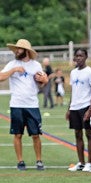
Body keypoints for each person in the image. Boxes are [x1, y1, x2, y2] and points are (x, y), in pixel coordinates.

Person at [0, 39, 48, 170]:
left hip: (32, 105)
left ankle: (39, 161)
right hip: (16, 104)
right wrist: (14, 70)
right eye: (16, 49)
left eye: (19, 49)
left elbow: (44, 80)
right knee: (18, 134)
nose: (16, 51)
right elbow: (1, 77)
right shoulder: (12, 64)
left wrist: (43, 80)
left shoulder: (36, 65)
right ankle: (20, 161)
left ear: (26, 51)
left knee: (36, 135)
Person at [66, 48, 91, 172]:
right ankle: (81, 162)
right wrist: (69, 108)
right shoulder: (73, 73)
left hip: (85, 106)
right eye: (77, 56)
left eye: (81, 56)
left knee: (88, 133)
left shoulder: (90, 72)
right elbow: (74, 92)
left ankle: (89, 162)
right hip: (74, 107)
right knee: (77, 134)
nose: (78, 58)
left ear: (86, 57)